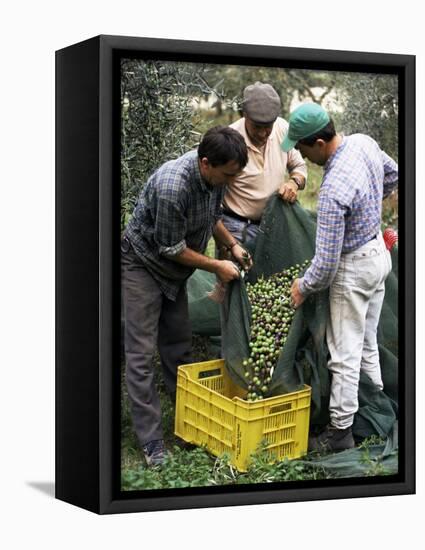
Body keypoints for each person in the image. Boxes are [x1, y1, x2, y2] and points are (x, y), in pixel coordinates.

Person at [121, 126, 251, 466]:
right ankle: (151, 442)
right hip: (143, 265)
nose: (230, 181)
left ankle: (187, 424)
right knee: (140, 353)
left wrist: (233, 245)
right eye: (227, 174)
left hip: (174, 274)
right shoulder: (172, 186)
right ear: (206, 163)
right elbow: (170, 247)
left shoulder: (213, 181)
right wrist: (217, 266)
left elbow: (213, 218)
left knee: (178, 347)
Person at [282, 103, 398, 452]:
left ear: (318, 142)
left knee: (343, 353)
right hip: (379, 254)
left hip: (354, 268)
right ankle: (376, 403)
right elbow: (393, 174)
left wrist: (303, 286)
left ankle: (340, 433)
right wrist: (369, 205)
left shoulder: (333, 190)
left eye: (301, 146)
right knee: (367, 341)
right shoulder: (363, 142)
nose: (300, 153)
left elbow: (327, 262)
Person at [220, 82, 308, 248]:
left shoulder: (283, 128)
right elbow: (213, 194)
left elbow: (299, 167)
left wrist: (294, 182)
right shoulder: (229, 140)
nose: (262, 134)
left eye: (268, 127)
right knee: (236, 273)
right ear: (244, 115)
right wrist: (226, 243)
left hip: (274, 225)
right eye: (257, 127)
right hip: (237, 228)